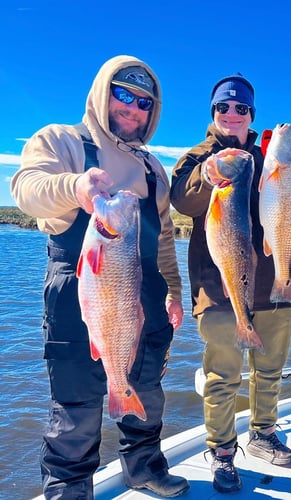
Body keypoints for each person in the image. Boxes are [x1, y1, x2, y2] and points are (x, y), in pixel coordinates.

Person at [11, 56, 189, 499]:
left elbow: (164, 236)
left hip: (144, 292)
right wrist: (76, 187)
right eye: (123, 95)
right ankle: (70, 491)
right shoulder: (62, 140)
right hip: (81, 288)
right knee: (76, 407)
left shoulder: (153, 168)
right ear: (103, 93)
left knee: (146, 389)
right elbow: (26, 189)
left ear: (153, 110)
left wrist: (174, 290)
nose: (132, 108)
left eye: (143, 102)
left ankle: (144, 467)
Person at [170, 73, 291, 494]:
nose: (232, 114)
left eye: (241, 108)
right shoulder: (197, 158)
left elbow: (286, 214)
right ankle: (223, 452)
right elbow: (182, 199)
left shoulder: (268, 160)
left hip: (271, 286)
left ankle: (263, 434)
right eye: (224, 107)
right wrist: (208, 177)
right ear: (213, 113)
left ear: (250, 116)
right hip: (218, 286)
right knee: (222, 375)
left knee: (270, 370)